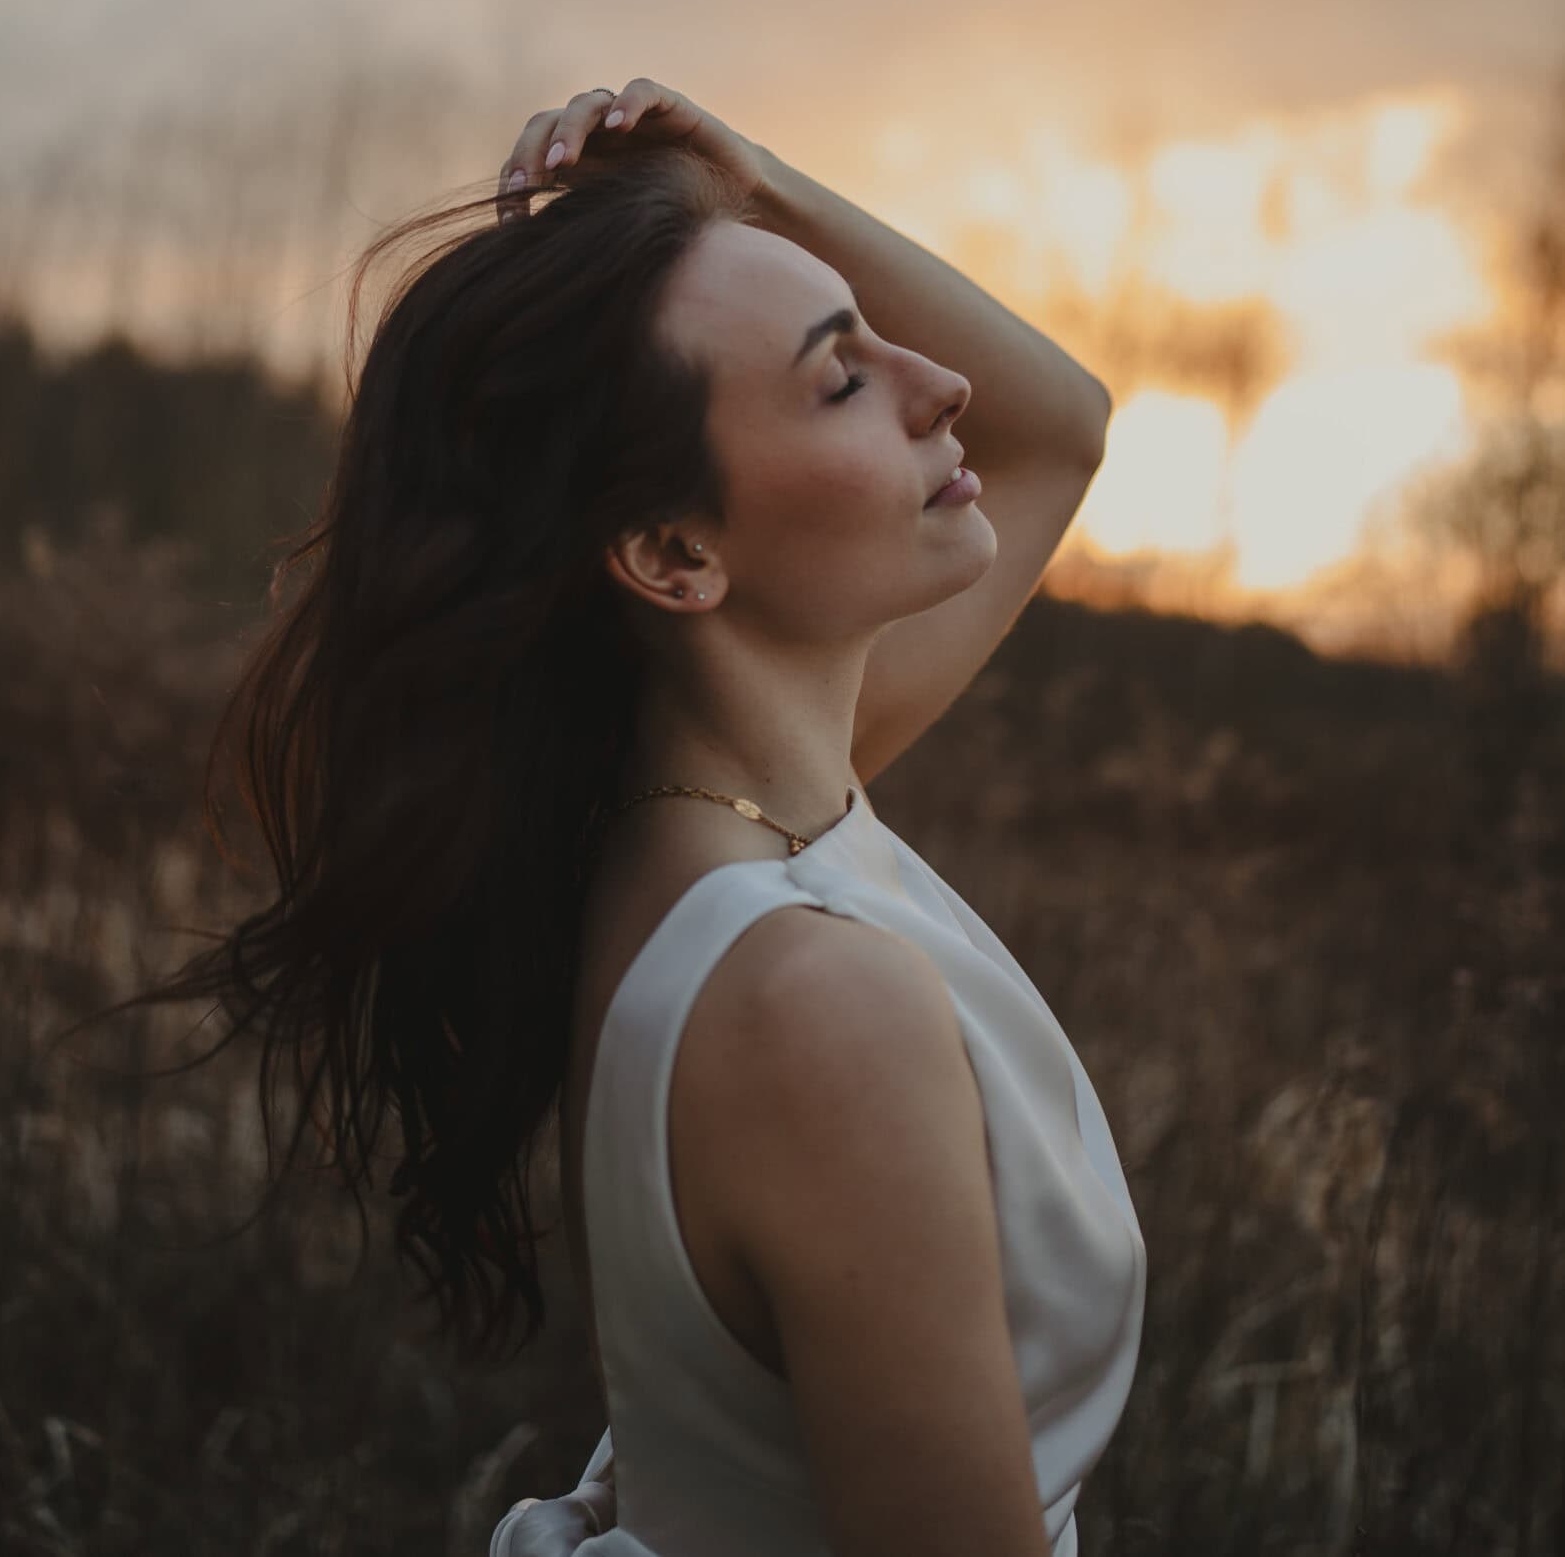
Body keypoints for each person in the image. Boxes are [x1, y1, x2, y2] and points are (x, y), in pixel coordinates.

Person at [146, 78, 1144, 1557]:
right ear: (675, 552)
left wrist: (754, 186)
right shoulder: (810, 999)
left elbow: (1064, 423)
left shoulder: (707, 819)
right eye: (842, 377)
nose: (940, 382)